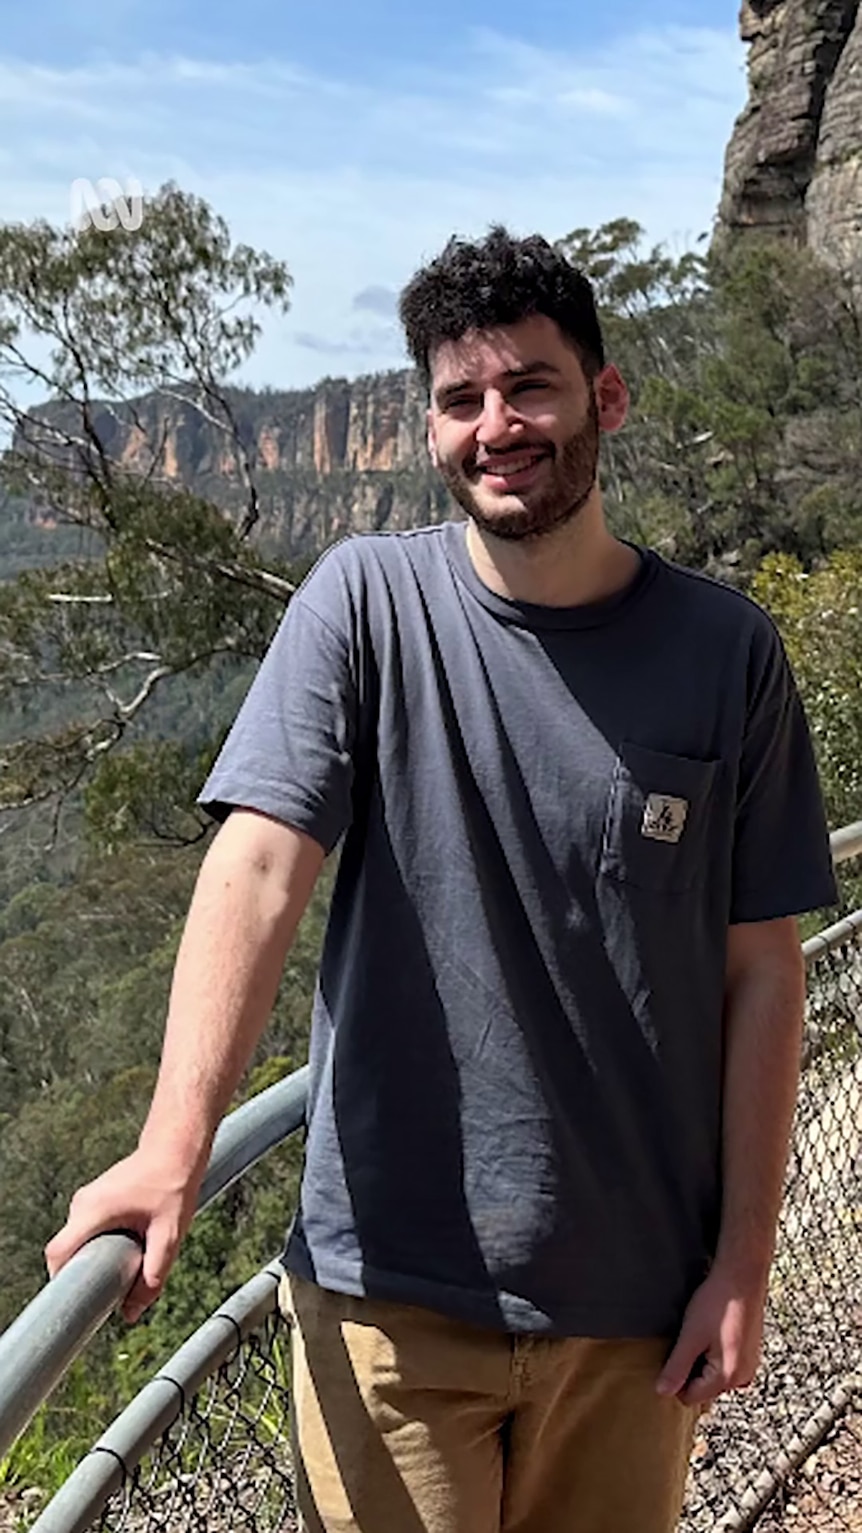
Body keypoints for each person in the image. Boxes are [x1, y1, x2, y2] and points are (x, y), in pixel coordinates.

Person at [46, 228, 838, 1533]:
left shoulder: (725, 653)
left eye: (530, 385)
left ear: (607, 397)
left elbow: (763, 970)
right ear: (425, 424)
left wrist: (740, 1264)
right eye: (460, 399)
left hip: (636, 1307)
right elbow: (257, 862)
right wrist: (172, 1146)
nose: (495, 425)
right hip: (387, 1305)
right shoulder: (362, 603)